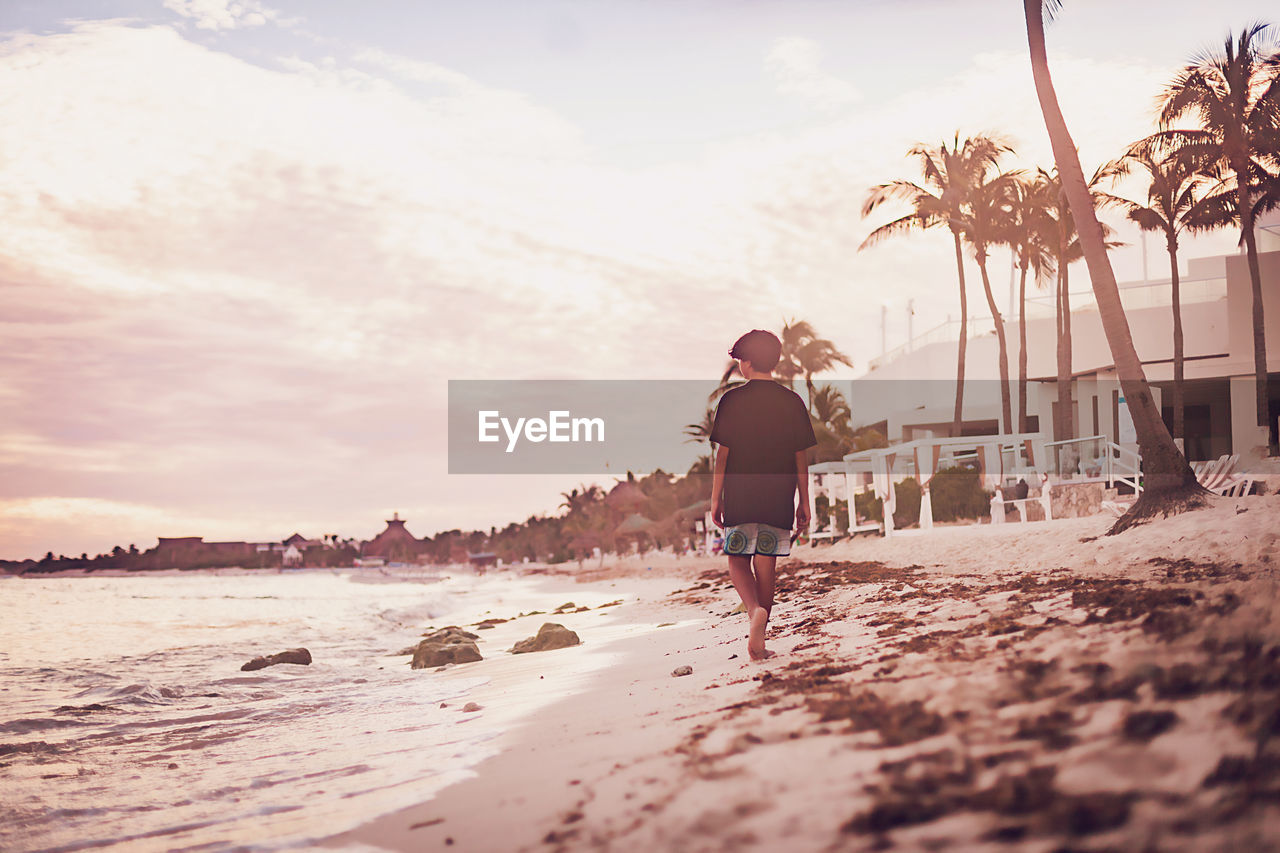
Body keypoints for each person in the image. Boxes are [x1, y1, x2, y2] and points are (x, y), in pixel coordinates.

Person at [710, 329, 817, 660]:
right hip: (779, 495)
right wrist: (805, 500)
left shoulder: (732, 400)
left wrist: (716, 499)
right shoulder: (792, 401)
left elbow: (722, 455)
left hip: (741, 494)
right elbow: (801, 457)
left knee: (737, 558)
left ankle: (754, 609)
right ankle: (761, 634)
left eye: (740, 359)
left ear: (748, 362)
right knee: (766, 561)